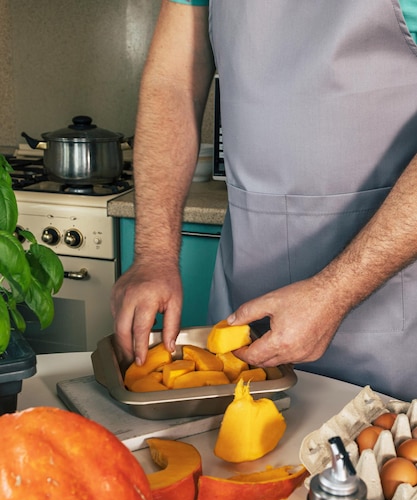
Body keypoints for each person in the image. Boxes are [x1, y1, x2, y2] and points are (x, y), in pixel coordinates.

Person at [111, 0, 417, 401]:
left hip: (387, 298)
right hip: (248, 290)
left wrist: (335, 291)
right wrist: (154, 253)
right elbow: (173, 82)